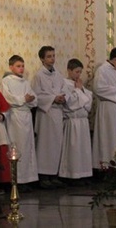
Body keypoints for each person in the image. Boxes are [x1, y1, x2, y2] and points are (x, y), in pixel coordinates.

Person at [31, 46, 68, 189]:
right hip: (45, 114)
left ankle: (54, 175)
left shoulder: (58, 74)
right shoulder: (38, 76)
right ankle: (43, 176)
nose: (52, 59)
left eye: (53, 55)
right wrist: (53, 98)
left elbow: (65, 89)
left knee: (57, 144)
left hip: (57, 113)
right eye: (49, 56)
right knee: (45, 144)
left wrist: (63, 97)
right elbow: (36, 96)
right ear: (42, 59)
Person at [0, 55, 39, 191]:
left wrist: (30, 99)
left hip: (26, 117)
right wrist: (24, 98)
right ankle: (15, 180)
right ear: (11, 67)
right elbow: (7, 98)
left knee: (27, 148)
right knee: (16, 146)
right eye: (18, 66)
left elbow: (34, 99)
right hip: (14, 116)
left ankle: (27, 179)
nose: (21, 68)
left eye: (22, 66)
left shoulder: (26, 82)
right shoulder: (6, 81)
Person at [92, 47, 116, 170]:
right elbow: (98, 88)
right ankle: (105, 165)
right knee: (107, 136)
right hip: (107, 108)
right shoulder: (102, 70)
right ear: (115, 59)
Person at [58, 58, 93, 185]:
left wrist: (80, 92)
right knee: (74, 150)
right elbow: (71, 103)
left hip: (83, 121)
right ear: (69, 70)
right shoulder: (64, 84)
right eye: (76, 72)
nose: (79, 75)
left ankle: (83, 174)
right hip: (72, 122)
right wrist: (79, 92)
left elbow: (88, 104)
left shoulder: (80, 86)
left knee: (83, 150)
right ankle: (72, 175)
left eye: (80, 72)